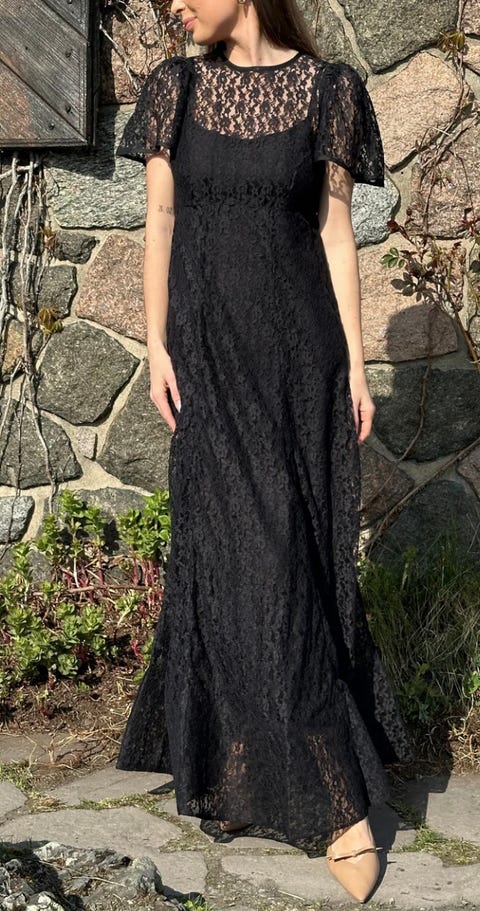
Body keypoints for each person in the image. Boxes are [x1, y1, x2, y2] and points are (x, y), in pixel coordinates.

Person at [115, 0, 412, 902]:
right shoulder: (174, 88)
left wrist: (354, 366)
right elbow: (160, 218)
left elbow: (334, 234)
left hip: (297, 358)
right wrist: (157, 345)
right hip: (207, 359)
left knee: (289, 556)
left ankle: (327, 789)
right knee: (231, 554)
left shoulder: (331, 91)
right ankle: (258, 767)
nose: (172, 4)